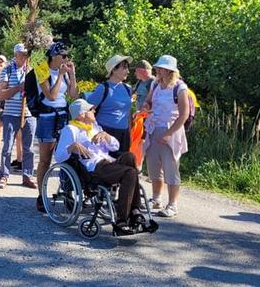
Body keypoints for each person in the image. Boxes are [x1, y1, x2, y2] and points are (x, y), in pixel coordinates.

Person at [54, 99, 148, 236]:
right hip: (93, 167)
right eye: (90, 110)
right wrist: (71, 147)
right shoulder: (71, 130)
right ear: (81, 115)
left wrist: (107, 137)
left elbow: (115, 146)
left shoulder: (95, 127)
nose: (94, 111)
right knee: (130, 173)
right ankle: (123, 220)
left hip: (107, 162)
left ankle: (134, 211)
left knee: (130, 157)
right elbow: (59, 157)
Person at [140, 55, 189, 217]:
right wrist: (146, 106)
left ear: (169, 71)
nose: (157, 70)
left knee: (171, 169)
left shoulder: (180, 88)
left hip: (172, 132)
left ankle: (172, 205)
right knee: (154, 167)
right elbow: (148, 102)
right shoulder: (155, 84)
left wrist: (168, 134)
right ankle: (156, 199)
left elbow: (184, 115)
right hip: (154, 129)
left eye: (160, 68)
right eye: (158, 68)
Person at [34, 42, 78, 212]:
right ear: (53, 56)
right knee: (45, 159)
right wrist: (60, 75)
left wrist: (72, 75)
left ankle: (67, 192)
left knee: (66, 156)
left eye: (67, 56)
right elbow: (51, 95)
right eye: (63, 56)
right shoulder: (42, 69)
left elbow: (73, 95)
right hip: (47, 117)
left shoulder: (65, 72)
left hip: (62, 116)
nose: (66, 59)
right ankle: (41, 195)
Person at [0, 43, 37, 189]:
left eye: (26, 54)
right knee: (7, 146)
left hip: (29, 114)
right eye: (22, 54)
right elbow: (2, 94)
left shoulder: (32, 70)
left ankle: (27, 176)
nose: (24, 56)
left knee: (29, 148)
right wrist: (19, 88)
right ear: (16, 55)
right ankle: (4, 175)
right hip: (10, 113)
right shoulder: (7, 70)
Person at [86, 55, 133, 158]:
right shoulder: (103, 88)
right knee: (107, 167)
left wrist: (130, 132)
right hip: (105, 132)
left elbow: (127, 112)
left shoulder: (128, 89)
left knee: (122, 166)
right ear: (114, 70)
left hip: (123, 134)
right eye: (124, 67)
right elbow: (88, 110)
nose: (128, 71)